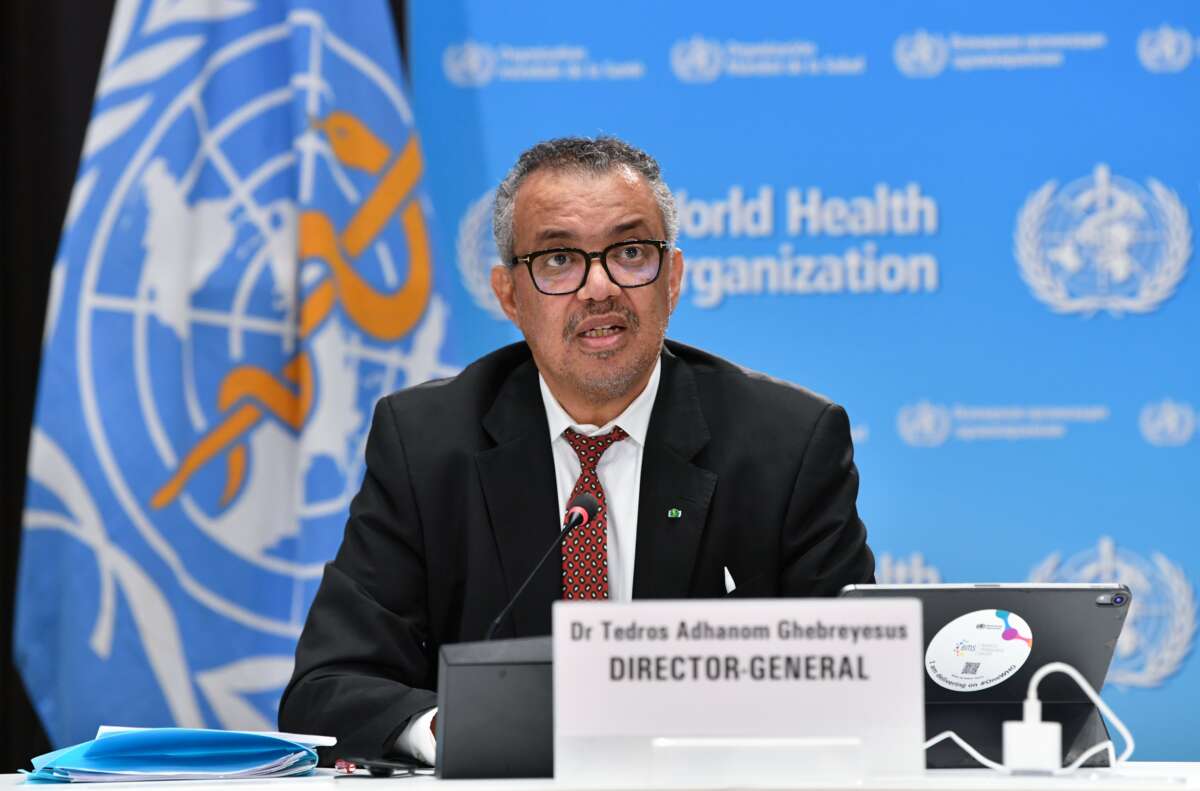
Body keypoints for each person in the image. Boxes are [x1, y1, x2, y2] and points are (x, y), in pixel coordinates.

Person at [278, 136, 874, 763]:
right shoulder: (427, 442)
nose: (600, 288)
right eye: (559, 259)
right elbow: (328, 689)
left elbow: (862, 685)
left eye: (630, 253)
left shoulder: (788, 442)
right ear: (509, 296)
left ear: (671, 281)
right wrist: (453, 729)